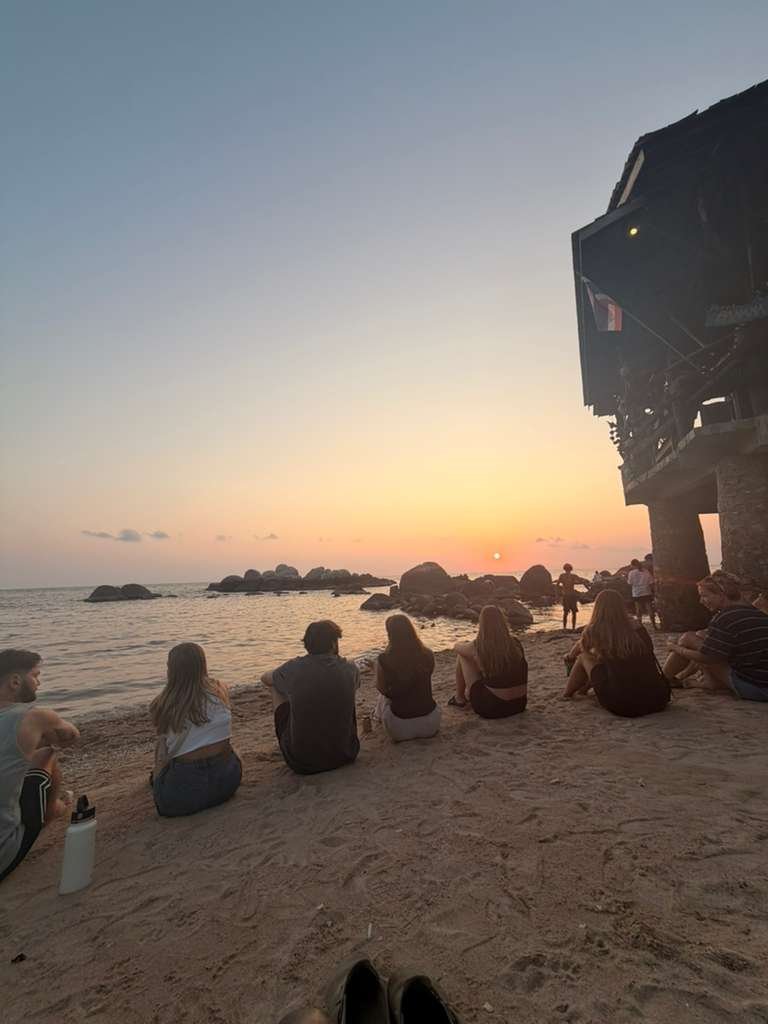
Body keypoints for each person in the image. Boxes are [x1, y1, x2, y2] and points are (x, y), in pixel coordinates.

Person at [0, 649, 79, 883]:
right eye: (35, 675)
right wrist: (44, 736)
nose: (39, 682)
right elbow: (71, 736)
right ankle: (51, 809)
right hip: (5, 850)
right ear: (15, 681)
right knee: (49, 753)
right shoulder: (33, 717)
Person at [150, 643, 242, 817]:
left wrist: (158, 777)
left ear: (173, 670)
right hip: (227, 781)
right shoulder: (220, 690)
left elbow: (163, 754)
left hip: (183, 794)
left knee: (162, 742)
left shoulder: (162, 704)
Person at [262, 620, 360, 774]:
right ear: (334, 643)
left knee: (276, 686)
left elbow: (265, 678)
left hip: (303, 762)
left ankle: (292, 736)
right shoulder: (350, 668)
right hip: (346, 753)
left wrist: (282, 674)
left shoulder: (294, 668)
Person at [561, 590, 669, 717]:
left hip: (622, 704)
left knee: (584, 657)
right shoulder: (637, 627)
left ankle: (567, 694)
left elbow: (581, 648)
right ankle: (582, 690)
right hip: (657, 699)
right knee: (606, 660)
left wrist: (569, 657)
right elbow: (649, 650)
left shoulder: (595, 630)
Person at [662, 572, 768, 701]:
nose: (701, 601)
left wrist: (674, 647)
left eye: (704, 596)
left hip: (754, 687)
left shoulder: (725, 617)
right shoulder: (758, 614)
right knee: (701, 636)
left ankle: (662, 680)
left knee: (687, 638)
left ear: (721, 595)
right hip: (762, 681)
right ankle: (702, 680)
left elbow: (707, 658)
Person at [448, 605, 528, 718]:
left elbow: (457, 647)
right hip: (519, 705)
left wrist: (465, 643)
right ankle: (464, 696)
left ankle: (459, 698)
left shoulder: (478, 647)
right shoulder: (515, 644)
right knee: (477, 657)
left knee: (463, 656)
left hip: (492, 708)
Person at [375, 615, 441, 742]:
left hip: (399, 729)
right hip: (431, 724)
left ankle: (376, 717)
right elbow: (427, 675)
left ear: (390, 634)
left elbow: (381, 688)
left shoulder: (384, 658)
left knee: (383, 696)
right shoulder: (428, 654)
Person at [556, 563, 590, 630]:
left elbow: (557, 586)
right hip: (572, 596)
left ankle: (564, 628)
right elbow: (582, 581)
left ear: (564, 569)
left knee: (565, 612)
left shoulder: (562, 576)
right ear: (571, 569)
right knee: (573, 613)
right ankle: (573, 628)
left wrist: (557, 595)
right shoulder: (573, 576)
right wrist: (588, 589)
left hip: (566, 595)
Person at [627, 558, 658, 629]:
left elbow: (630, 583)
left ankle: (640, 626)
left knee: (638, 610)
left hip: (636, 593)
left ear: (632, 565)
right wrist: (654, 591)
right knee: (650, 609)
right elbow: (651, 582)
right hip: (647, 592)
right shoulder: (646, 571)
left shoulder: (631, 573)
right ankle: (654, 625)